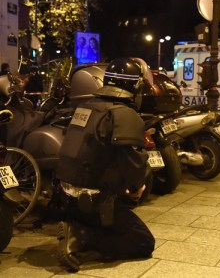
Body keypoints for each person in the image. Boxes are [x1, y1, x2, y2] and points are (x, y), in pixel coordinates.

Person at [55, 57, 155, 272]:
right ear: (135, 86)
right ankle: (84, 237)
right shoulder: (124, 114)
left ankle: (81, 230)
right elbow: (133, 163)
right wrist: (138, 186)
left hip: (67, 198)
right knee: (143, 241)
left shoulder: (85, 107)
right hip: (95, 203)